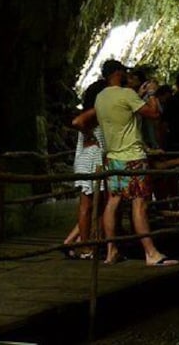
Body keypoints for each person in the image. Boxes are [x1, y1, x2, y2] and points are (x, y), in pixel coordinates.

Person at [78, 59, 178, 267]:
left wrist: (138, 95)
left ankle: (111, 251)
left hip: (112, 157)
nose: (126, 75)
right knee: (139, 203)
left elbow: (120, 112)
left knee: (113, 202)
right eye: (124, 72)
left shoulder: (100, 97)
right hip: (133, 157)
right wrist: (150, 93)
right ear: (117, 73)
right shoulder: (126, 95)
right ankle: (151, 253)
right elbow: (154, 114)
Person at [64, 78, 107, 259]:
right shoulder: (95, 110)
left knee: (91, 204)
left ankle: (73, 241)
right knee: (87, 205)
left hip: (88, 158)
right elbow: (77, 122)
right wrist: (91, 137)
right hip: (91, 158)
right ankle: (85, 246)